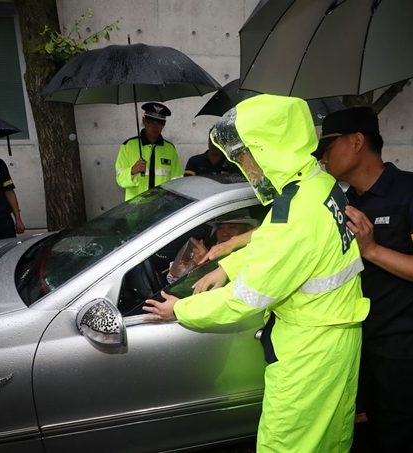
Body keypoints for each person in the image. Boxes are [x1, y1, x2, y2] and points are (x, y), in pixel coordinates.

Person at [143, 94, 370, 452]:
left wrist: (181, 310)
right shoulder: (317, 186)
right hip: (335, 337)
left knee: (285, 444)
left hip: (308, 352)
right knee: (329, 440)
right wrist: (229, 265)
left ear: (269, 148)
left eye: (244, 154)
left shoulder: (296, 214)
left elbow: (244, 299)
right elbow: (275, 243)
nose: (244, 165)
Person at [314, 107, 413, 453]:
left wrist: (373, 251)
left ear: (356, 142)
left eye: (327, 149)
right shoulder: (347, 201)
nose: (322, 159)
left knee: (397, 444)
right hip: (369, 347)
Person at [115, 102, 183, 201]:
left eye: (159, 123)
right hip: (135, 207)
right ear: (144, 121)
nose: (155, 127)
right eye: (151, 122)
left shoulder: (170, 149)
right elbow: (120, 180)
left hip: (162, 206)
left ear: (164, 125)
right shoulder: (128, 146)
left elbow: (177, 181)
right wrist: (132, 170)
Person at [166, 212, 258, 283]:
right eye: (221, 228)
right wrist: (194, 264)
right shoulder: (208, 249)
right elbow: (172, 279)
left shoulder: (255, 252)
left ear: (248, 230)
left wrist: (207, 265)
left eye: (232, 227)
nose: (225, 233)